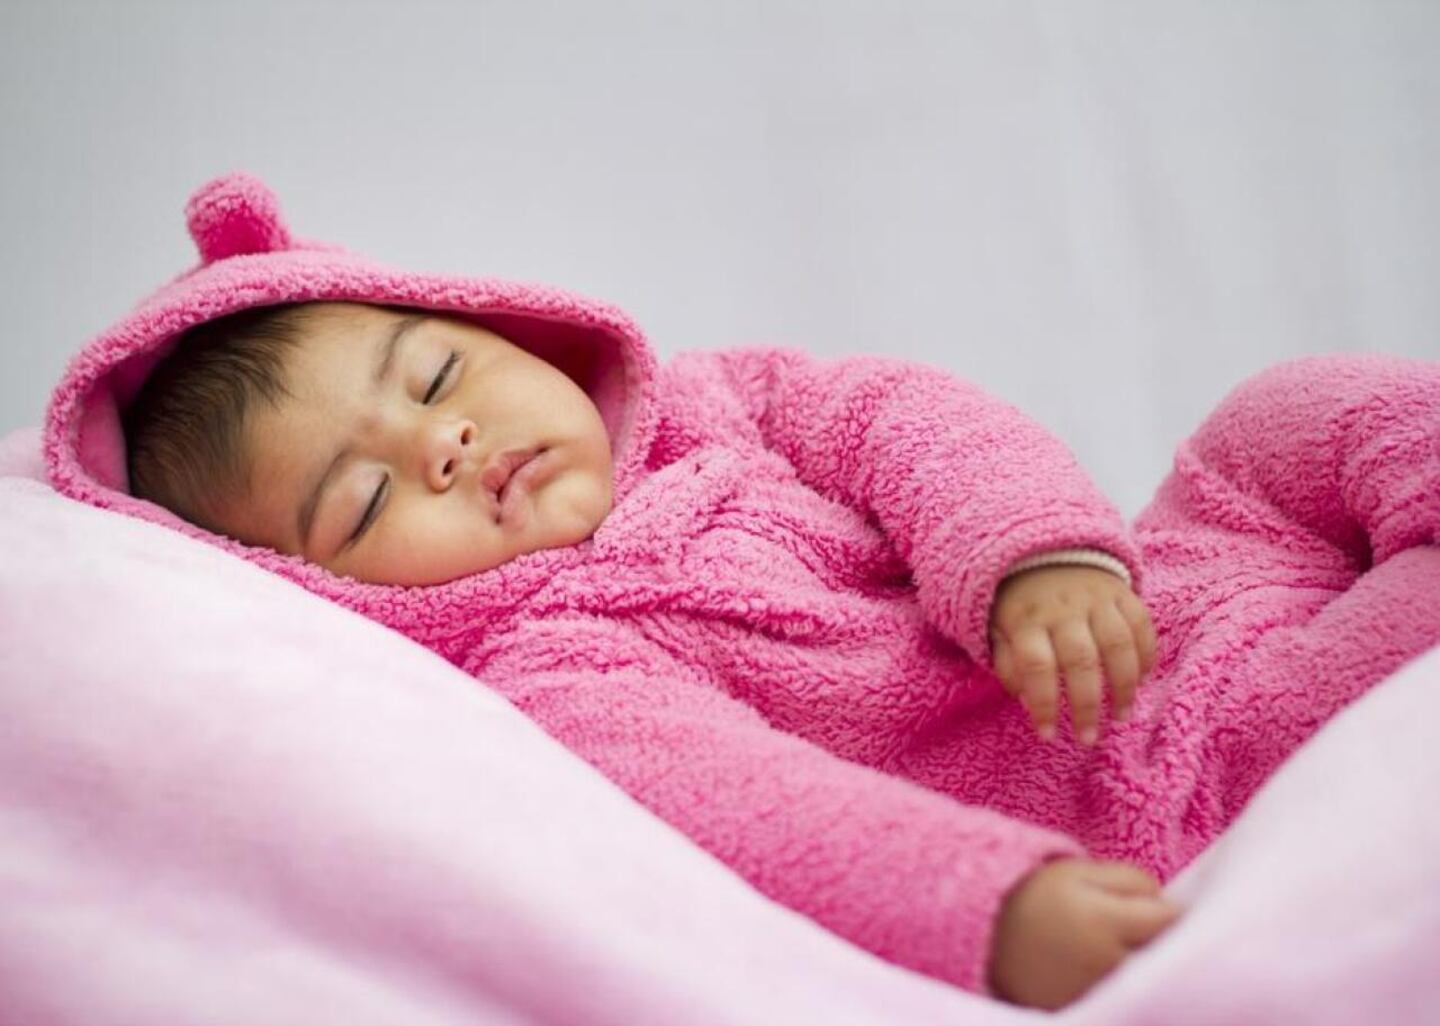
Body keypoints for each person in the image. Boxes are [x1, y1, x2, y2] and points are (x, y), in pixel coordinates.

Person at [46, 172, 1440, 1011]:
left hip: (1127, 590)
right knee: (1335, 692)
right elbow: (763, 816)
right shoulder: (565, 668)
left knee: (1290, 411)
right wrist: (990, 907)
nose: (445, 443)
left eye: (436, 374)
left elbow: (913, 422)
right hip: (1128, 757)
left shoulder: (725, 396)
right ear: (334, 593)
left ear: (502, 326)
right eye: (364, 500)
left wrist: (1036, 555)